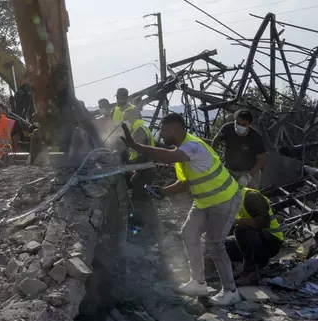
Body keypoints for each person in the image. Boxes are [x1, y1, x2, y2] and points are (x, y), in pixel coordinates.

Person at [119, 113, 242, 306]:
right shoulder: (181, 151)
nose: (161, 133)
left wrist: (136, 146)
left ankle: (231, 291)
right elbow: (185, 183)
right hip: (204, 202)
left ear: (174, 129)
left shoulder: (192, 146)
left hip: (224, 200)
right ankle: (198, 282)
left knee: (214, 245)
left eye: (164, 129)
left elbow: (166, 156)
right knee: (188, 233)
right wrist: (164, 192)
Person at [225, 187, 284, 285]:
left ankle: (250, 272)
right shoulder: (231, 200)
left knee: (241, 230)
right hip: (256, 238)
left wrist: (238, 222)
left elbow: (263, 222)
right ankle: (256, 262)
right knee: (222, 245)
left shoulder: (251, 196)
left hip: (271, 242)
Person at [120, 112, 162, 245]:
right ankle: (149, 225)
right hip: (146, 168)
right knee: (140, 191)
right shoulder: (143, 128)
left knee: (139, 197)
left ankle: (143, 227)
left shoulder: (138, 130)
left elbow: (142, 152)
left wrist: (129, 164)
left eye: (127, 118)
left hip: (145, 168)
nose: (126, 121)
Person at [212, 109, 267, 189]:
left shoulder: (255, 137)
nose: (239, 126)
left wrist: (249, 175)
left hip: (248, 171)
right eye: (237, 123)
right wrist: (214, 157)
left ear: (249, 124)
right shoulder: (227, 128)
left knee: (251, 195)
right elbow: (216, 140)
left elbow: (262, 158)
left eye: (243, 124)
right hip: (229, 170)